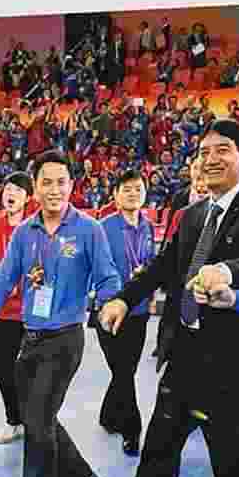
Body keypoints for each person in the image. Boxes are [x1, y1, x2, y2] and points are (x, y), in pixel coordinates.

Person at [98, 120, 239, 477]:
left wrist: (227, 271)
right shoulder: (193, 214)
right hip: (184, 351)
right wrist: (124, 299)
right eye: (205, 152)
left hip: (228, 359)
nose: (212, 159)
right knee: (158, 446)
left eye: (223, 149)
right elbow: (163, 267)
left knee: (230, 458)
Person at [0, 156, 119, 477]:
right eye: (47, 183)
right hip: (30, 336)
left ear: (72, 185)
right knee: (37, 414)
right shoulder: (24, 233)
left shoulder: (88, 229)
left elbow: (108, 277)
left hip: (65, 339)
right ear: (35, 188)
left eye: (61, 182)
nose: (55, 190)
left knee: (36, 419)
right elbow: (4, 278)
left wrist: (110, 304)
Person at [94, 172, 159, 452]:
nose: (133, 194)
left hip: (139, 309)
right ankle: (132, 429)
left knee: (125, 370)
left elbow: (151, 263)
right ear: (116, 195)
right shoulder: (102, 227)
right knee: (122, 369)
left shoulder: (147, 226)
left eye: (138, 189)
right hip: (108, 309)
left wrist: (149, 292)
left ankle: (108, 415)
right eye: (127, 189)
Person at [0, 170, 34, 444]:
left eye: (18, 190)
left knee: (31, 370)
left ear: (28, 198)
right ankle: (14, 420)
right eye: (8, 189)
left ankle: (32, 420)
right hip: (3, 307)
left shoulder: (36, 225)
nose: (11, 194)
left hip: (31, 309)